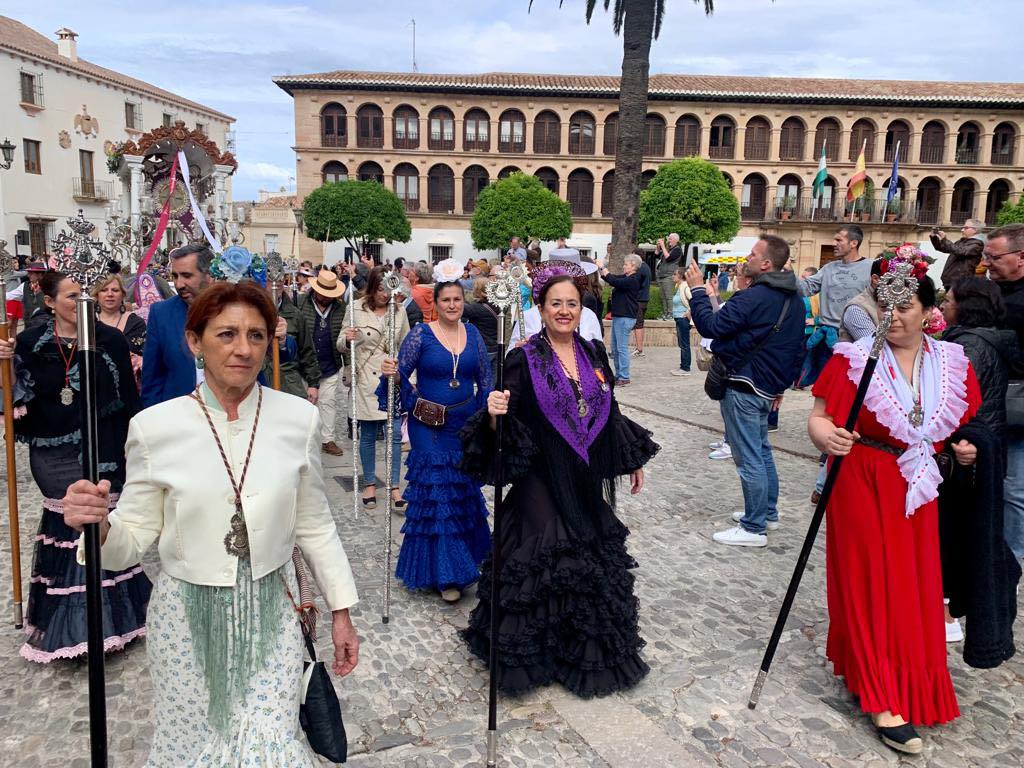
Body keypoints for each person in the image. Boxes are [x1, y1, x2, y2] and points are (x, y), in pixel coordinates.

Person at [63, 280, 360, 764]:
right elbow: (129, 541)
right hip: (186, 621)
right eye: (226, 334)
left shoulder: (298, 419)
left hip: (273, 613)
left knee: (269, 747)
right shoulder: (155, 428)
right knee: (195, 748)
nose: (243, 349)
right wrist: (98, 526)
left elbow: (315, 524)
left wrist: (341, 611)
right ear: (194, 342)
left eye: (256, 335)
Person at [460, 266, 659, 697]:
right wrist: (494, 414)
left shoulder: (594, 354)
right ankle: (534, 655)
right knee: (546, 554)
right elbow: (505, 424)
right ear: (541, 308)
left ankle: (576, 651)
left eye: (572, 303)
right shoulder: (524, 358)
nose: (564, 311)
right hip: (540, 475)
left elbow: (609, 410)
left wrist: (630, 458)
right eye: (556, 304)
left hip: (583, 476)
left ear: (581, 308)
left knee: (589, 556)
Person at [809, 271, 982, 755]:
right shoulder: (855, 359)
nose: (894, 317)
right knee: (867, 580)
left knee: (913, 584)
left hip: (919, 484)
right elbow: (819, 416)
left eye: (905, 308)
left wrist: (967, 449)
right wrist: (825, 436)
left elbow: (969, 425)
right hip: (862, 477)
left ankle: (906, 676)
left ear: (929, 311)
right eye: (886, 307)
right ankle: (880, 693)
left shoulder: (951, 361)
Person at [0, 271, 151, 663]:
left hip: (102, 444)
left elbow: (128, 398)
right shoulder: (31, 341)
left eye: (84, 293)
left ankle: (107, 624)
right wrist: (6, 363)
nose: (80, 301)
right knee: (68, 524)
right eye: (70, 295)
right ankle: (69, 627)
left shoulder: (111, 339)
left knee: (98, 522)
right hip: (53, 451)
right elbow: (15, 396)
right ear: (50, 302)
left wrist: (136, 445)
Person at [379, 260, 492, 602]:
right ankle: (448, 576)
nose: (452, 305)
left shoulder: (473, 335)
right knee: (439, 493)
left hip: (464, 426)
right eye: (446, 300)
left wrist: (490, 415)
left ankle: (469, 557)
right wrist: (393, 375)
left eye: (457, 299)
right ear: (436, 303)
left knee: (461, 491)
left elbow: (485, 379)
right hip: (428, 427)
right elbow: (400, 375)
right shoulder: (420, 335)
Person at [687, 235, 805, 546]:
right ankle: (767, 513)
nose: (746, 259)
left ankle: (754, 527)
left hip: (744, 385)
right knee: (762, 451)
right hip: (766, 387)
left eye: (753, 254)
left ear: (766, 264)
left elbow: (711, 327)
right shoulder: (793, 299)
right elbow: (797, 348)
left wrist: (697, 290)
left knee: (749, 456)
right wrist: (780, 386)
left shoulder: (754, 297)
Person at [940, 276, 1021, 645]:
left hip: (963, 453)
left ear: (966, 306)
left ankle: (947, 613)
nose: (944, 304)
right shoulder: (990, 339)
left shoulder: (968, 346)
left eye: (950, 299)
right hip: (981, 447)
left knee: (954, 533)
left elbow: (954, 403)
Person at [342, 266, 409, 510]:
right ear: (371, 287)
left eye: (387, 288)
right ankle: (369, 483)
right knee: (368, 435)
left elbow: (407, 345)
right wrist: (347, 339)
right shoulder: (355, 308)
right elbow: (340, 342)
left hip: (389, 378)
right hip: (365, 379)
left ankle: (394, 486)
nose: (383, 294)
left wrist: (408, 377)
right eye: (379, 289)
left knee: (394, 435)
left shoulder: (399, 311)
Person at [986, 224, 1024, 566]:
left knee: (1014, 489)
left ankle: (1011, 561)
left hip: (1018, 408)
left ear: (1020, 257)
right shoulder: (993, 291)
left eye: (994, 257)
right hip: (992, 403)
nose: (987, 263)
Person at [797, 225, 873, 387]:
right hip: (824, 341)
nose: (834, 243)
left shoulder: (870, 267)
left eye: (839, 240)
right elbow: (805, 288)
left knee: (847, 388)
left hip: (854, 341)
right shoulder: (829, 268)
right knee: (823, 388)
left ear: (853, 243)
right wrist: (784, 272)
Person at [140, 244, 214, 407]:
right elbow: (152, 378)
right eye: (175, 276)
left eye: (187, 275)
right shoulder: (161, 313)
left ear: (209, 275)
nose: (179, 284)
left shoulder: (231, 309)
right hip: (176, 413)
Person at [298, 268, 348, 455]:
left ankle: (328, 439)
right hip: (304, 363)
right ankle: (304, 439)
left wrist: (348, 365)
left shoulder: (340, 308)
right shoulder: (301, 302)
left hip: (330, 363)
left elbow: (345, 335)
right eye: (323, 293)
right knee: (305, 403)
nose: (326, 297)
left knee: (328, 402)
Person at [508, 249, 603, 347]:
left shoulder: (589, 317)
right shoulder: (529, 317)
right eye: (556, 303)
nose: (564, 311)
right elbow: (512, 350)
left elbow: (598, 353)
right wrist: (519, 351)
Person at [93, 273, 148, 389]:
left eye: (115, 290)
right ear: (97, 294)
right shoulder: (87, 321)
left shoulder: (136, 323)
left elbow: (145, 359)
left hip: (126, 387)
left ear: (123, 294)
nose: (110, 294)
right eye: (104, 290)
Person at [599, 254, 642, 385]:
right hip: (619, 317)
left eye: (626, 264)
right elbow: (612, 278)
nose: (623, 266)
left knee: (621, 348)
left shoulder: (633, 279)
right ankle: (618, 375)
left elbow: (615, 281)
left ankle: (624, 376)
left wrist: (603, 267)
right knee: (615, 348)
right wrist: (601, 270)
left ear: (633, 266)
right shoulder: (626, 277)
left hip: (625, 317)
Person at [931, 219, 986, 291]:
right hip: (951, 281)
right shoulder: (961, 241)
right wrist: (934, 238)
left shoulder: (977, 243)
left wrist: (945, 239)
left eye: (966, 228)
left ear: (975, 230)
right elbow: (943, 248)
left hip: (961, 282)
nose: (962, 230)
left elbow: (961, 251)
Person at [462, 277, 501, 371]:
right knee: (492, 377)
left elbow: (458, 308)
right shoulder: (498, 305)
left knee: (479, 376)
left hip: (482, 348)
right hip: (496, 348)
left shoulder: (477, 309)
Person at [670, 266, 692, 377]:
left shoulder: (685, 287)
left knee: (684, 344)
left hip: (683, 319)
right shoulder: (678, 286)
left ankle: (685, 368)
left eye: (675, 274)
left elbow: (694, 300)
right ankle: (683, 366)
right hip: (678, 318)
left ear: (680, 276)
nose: (673, 276)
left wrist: (689, 312)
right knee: (682, 343)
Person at [656, 233, 684, 320]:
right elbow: (656, 255)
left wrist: (663, 246)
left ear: (676, 240)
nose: (668, 240)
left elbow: (668, 258)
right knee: (663, 297)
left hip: (669, 275)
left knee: (668, 296)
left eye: (670, 239)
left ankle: (671, 314)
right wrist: (658, 246)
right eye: (669, 238)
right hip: (662, 275)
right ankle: (666, 314)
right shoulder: (668, 249)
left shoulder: (677, 250)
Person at [631, 254, 652, 357]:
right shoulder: (647, 267)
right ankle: (639, 348)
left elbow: (635, 283)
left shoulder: (640, 268)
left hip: (639, 299)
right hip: (644, 299)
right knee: (640, 323)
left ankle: (639, 349)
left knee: (638, 324)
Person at [20, 261, 48, 331]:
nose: (28, 275)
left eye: (31, 273)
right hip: (29, 326)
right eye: (28, 273)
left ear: (40, 274)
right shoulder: (25, 285)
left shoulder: (49, 286)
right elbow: (10, 295)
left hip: (46, 326)